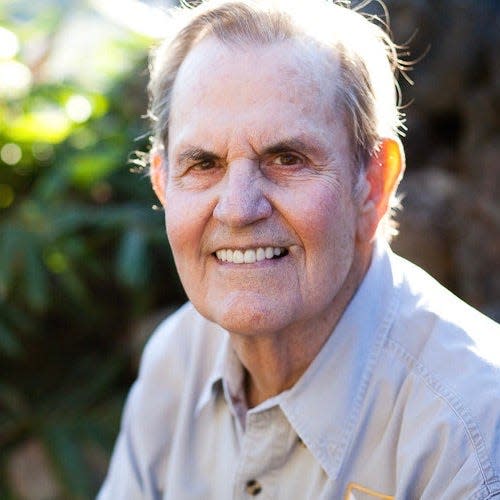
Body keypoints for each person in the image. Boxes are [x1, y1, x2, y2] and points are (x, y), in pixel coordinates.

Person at [98, 0, 500, 498]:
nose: (238, 209)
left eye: (286, 159)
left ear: (373, 182)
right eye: (203, 164)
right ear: (162, 183)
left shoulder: (474, 433)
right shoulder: (177, 360)